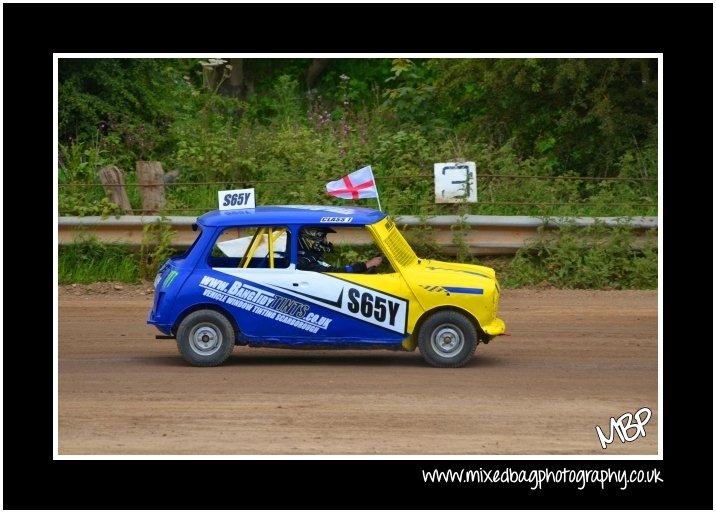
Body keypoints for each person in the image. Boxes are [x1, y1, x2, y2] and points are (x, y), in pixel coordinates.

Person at [297, 226, 382, 273]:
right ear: (312, 241)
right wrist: (366, 265)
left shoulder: (312, 257)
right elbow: (335, 272)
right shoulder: (305, 261)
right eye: (323, 238)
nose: (326, 242)